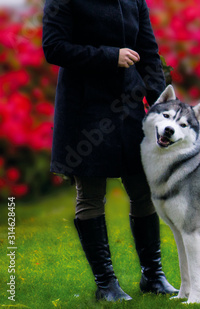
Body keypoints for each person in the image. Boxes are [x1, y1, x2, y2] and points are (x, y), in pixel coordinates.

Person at [42, 0, 178, 301]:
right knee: (90, 195)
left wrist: (163, 106)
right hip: (84, 110)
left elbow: (149, 55)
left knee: (142, 189)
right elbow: (54, 48)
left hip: (129, 108)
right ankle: (106, 285)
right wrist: (109, 56)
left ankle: (152, 277)